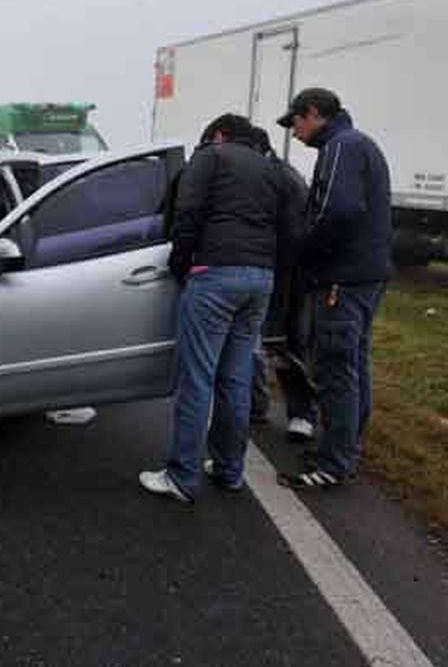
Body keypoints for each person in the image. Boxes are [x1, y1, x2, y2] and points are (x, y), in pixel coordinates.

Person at [140, 114, 298, 502]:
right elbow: (290, 229)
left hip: (215, 275)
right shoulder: (273, 170)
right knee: (236, 378)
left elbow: (186, 212)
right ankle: (230, 470)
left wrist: (181, 263)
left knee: (197, 379)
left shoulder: (211, 158)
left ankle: (181, 476)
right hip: (259, 280)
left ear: (220, 135)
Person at [275, 88, 393, 489]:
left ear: (313, 113)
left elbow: (337, 209)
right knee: (354, 365)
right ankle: (343, 449)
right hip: (366, 276)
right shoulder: (360, 145)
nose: (295, 132)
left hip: (342, 278)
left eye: (295, 122)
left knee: (335, 370)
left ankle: (333, 462)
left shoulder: (341, 146)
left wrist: (305, 251)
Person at [245, 126, 318, 441]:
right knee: (257, 341)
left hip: (290, 275)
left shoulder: (281, 178)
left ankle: (302, 414)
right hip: (273, 270)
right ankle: (256, 406)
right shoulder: (272, 174)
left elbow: (292, 235)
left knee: (289, 341)